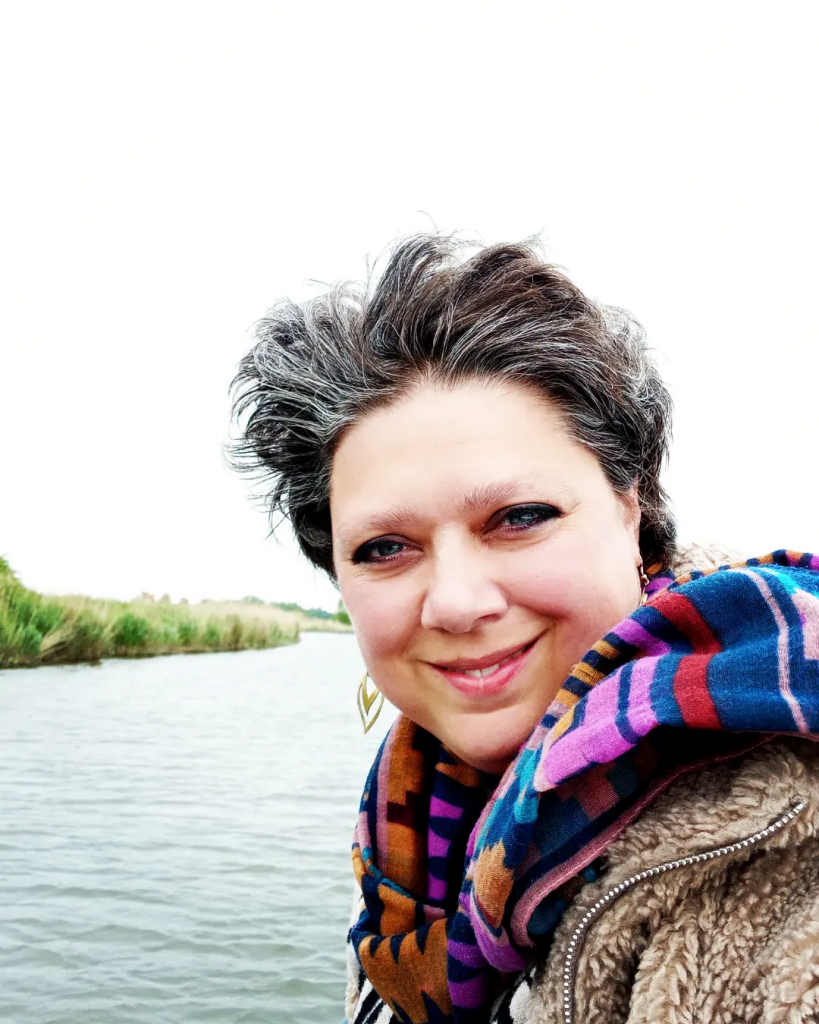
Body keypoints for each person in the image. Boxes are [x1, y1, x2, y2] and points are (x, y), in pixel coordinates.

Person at [229, 235, 819, 1024]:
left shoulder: (784, 834)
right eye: (385, 548)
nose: (455, 603)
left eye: (519, 518)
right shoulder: (417, 819)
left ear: (628, 504)